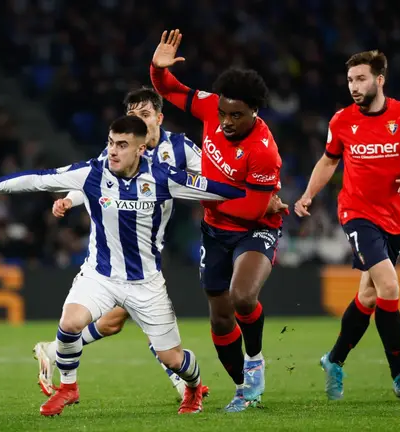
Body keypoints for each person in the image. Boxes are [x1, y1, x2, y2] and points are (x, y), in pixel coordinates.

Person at [0, 115, 247, 416]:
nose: (113, 151)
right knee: (70, 323)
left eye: (122, 145)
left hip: (145, 283)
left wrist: (262, 194)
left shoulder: (163, 177)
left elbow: (219, 189)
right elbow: (37, 179)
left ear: (140, 149)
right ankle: (68, 388)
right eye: (111, 143)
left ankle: (193, 386)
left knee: (172, 358)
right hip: (100, 276)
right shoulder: (93, 173)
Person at [294, 50, 400, 400]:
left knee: (369, 295)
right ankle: (399, 374)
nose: (354, 86)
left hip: (394, 218)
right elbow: (328, 161)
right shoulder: (341, 120)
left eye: (360, 79)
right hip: (356, 213)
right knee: (389, 286)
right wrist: (308, 194)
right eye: (350, 80)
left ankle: (334, 360)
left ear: (379, 80)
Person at [150, 29, 286, 412]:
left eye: (236, 115)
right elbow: (170, 89)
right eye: (224, 113)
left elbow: (252, 211)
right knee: (221, 319)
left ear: (255, 111)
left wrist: (199, 192)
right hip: (214, 231)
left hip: (254, 231)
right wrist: (157, 69)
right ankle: (242, 388)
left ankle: (255, 358)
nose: (225, 121)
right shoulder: (211, 106)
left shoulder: (263, 151)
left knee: (242, 297)